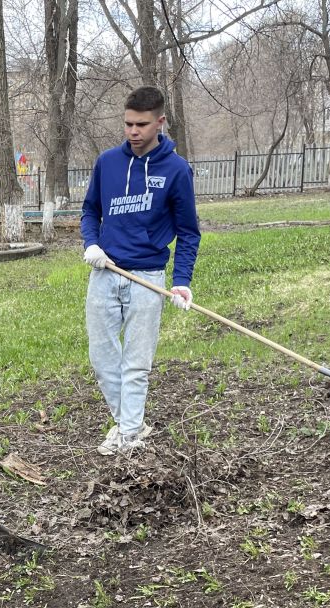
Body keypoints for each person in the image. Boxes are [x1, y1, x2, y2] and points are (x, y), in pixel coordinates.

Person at [80, 85, 201, 456]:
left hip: (147, 278)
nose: (133, 132)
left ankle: (129, 433)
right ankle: (130, 422)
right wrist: (92, 245)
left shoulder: (177, 170)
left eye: (142, 125)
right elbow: (89, 210)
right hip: (105, 271)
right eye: (128, 124)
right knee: (102, 358)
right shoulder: (108, 163)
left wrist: (181, 283)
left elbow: (188, 232)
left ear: (160, 122)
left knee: (136, 362)